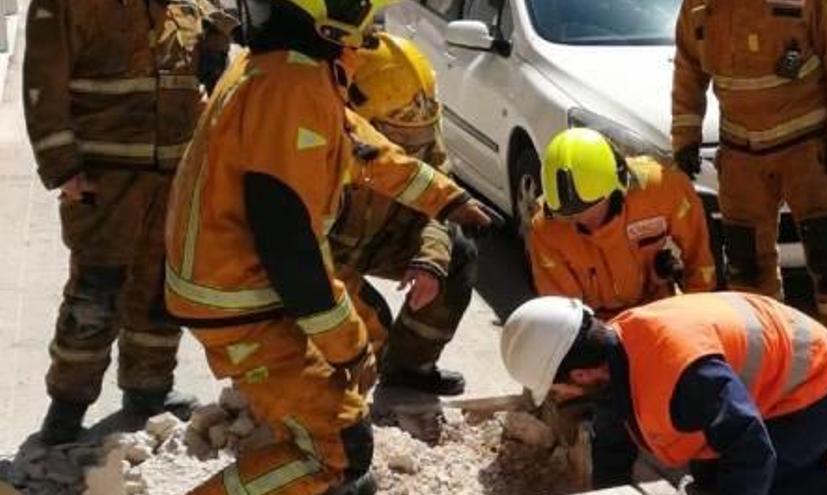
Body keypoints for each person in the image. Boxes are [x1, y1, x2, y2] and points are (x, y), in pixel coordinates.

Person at [162, 1, 494, 493]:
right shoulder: (292, 88)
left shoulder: (285, 70)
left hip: (234, 289)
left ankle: (310, 448)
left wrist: (446, 199)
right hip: (242, 301)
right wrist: (348, 345)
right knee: (339, 450)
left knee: (351, 378)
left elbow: (366, 149)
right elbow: (290, 246)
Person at [23, 0, 234, 445]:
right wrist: (61, 165)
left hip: (173, 175)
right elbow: (43, 82)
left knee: (159, 290)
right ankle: (67, 407)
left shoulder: (190, 4)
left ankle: (148, 391)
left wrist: (217, 45)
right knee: (95, 294)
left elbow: (205, 73)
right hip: (104, 178)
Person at [671, 0, 827, 379]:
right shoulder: (698, 6)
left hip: (807, 152)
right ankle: (769, 362)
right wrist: (685, 138)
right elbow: (687, 71)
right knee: (747, 268)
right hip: (742, 158)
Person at [501, 293, 827, 495]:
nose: (559, 395)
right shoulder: (612, 356)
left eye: (557, 386)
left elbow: (752, 450)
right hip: (762, 385)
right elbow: (612, 440)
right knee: (713, 481)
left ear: (580, 373)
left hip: (817, 381)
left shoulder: (682, 371)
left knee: (764, 480)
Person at [331, 32, 478, 396]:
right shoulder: (318, 140)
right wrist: (365, 319)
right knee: (367, 326)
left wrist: (431, 261)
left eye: (418, 140)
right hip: (319, 256)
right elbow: (294, 251)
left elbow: (440, 200)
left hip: (378, 237)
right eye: (397, 139)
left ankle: (409, 367)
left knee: (457, 252)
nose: (409, 150)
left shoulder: (419, 122)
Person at [528, 127, 717, 319]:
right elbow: (564, 318)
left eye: (593, 211)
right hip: (600, 328)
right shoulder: (548, 232)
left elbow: (700, 258)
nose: (586, 222)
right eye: (573, 217)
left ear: (617, 187)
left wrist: (698, 314)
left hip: (660, 312)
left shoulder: (662, 188)